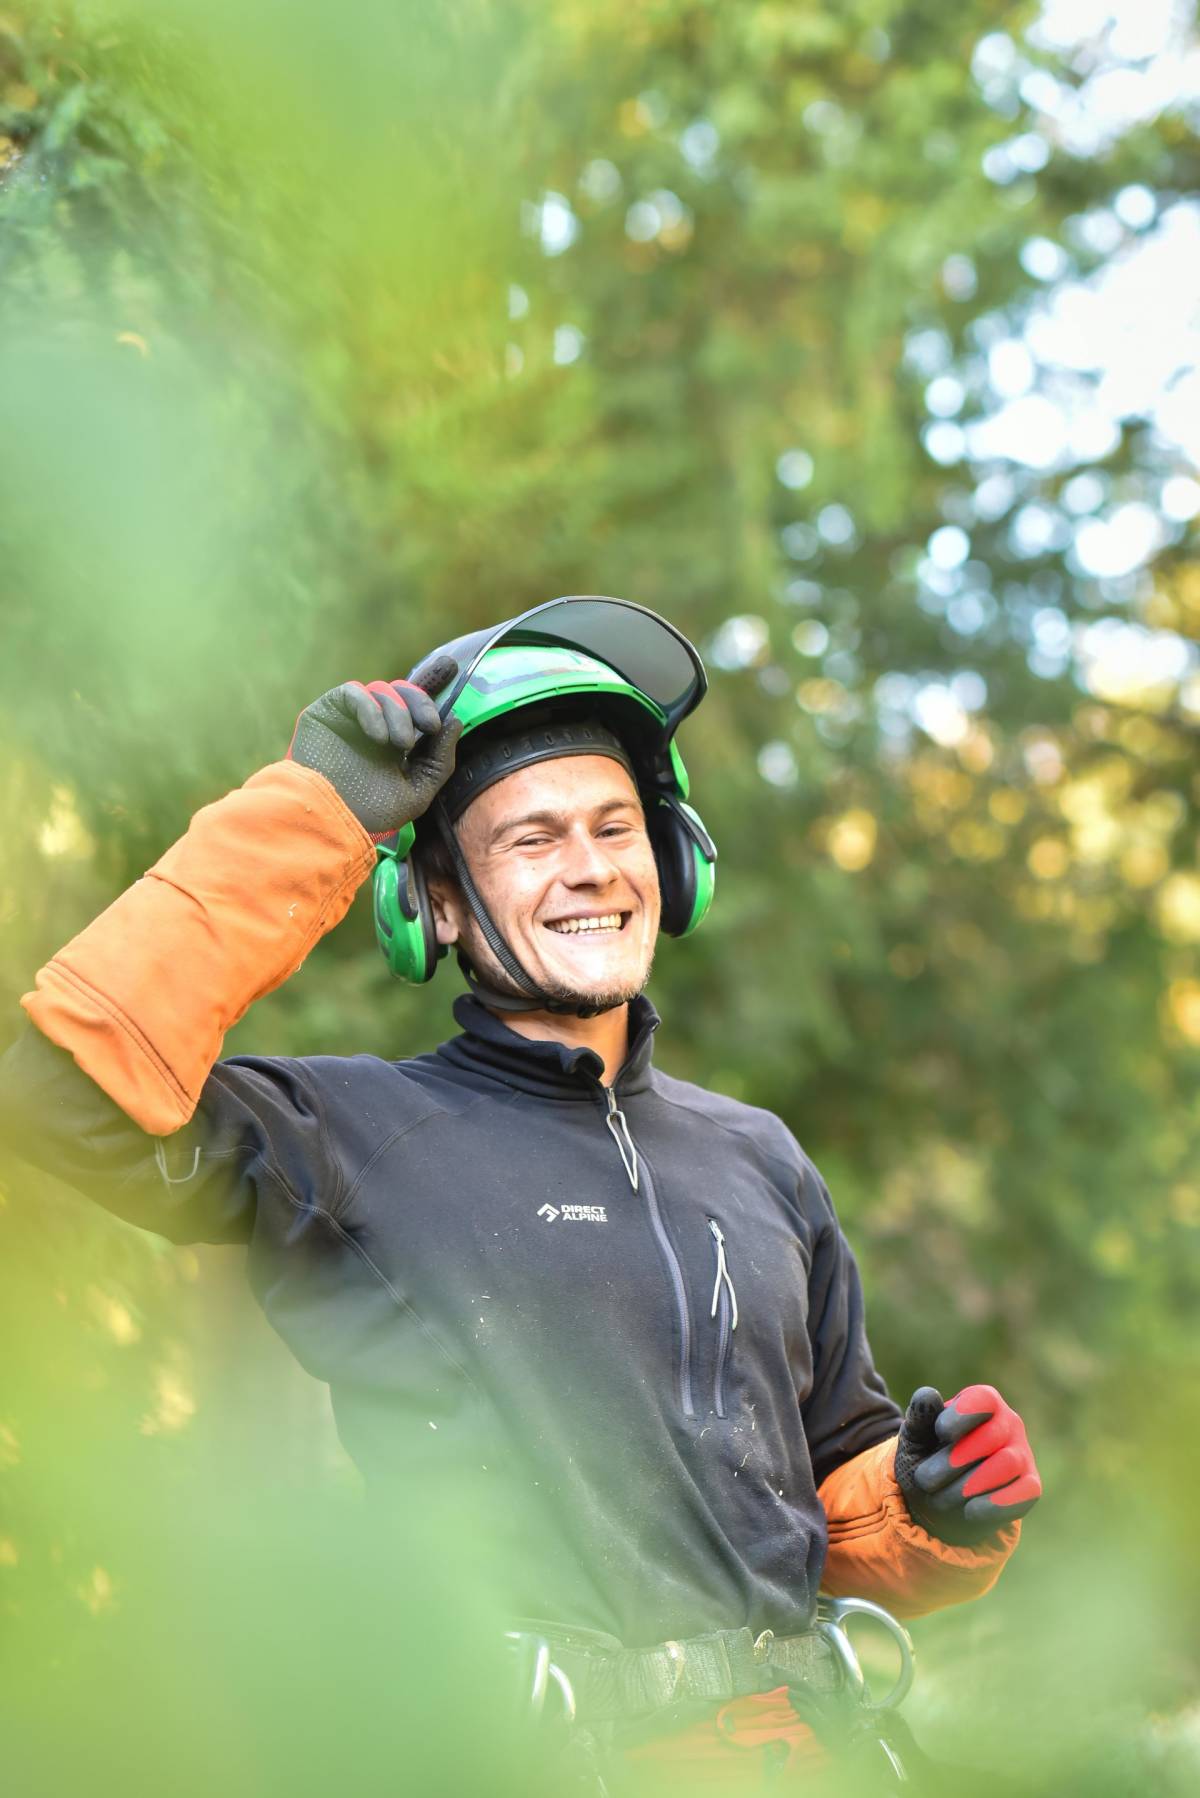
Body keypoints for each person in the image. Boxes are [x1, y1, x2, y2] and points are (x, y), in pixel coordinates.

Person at [0, 596, 1040, 1786]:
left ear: (677, 863)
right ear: (434, 903)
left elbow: (826, 1485)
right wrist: (315, 810)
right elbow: (61, 1093)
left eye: (614, 826)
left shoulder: (759, 1154)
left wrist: (932, 1496)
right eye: (531, 839)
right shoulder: (349, 1136)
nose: (590, 866)